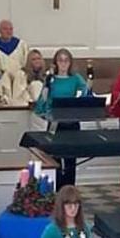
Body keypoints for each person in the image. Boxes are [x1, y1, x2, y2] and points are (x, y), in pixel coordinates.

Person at [34, 48, 91, 188]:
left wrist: (87, 89)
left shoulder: (76, 78)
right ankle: (57, 189)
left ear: (70, 62)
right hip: (55, 123)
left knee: (71, 159)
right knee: (55, 158)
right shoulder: (51, 79)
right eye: (60, 60)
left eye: (66, 60)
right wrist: (46, 91)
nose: (63, 63)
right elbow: (43, 100)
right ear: (55, 63)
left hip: (71, 123)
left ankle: (70, 189)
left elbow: (84, 95)